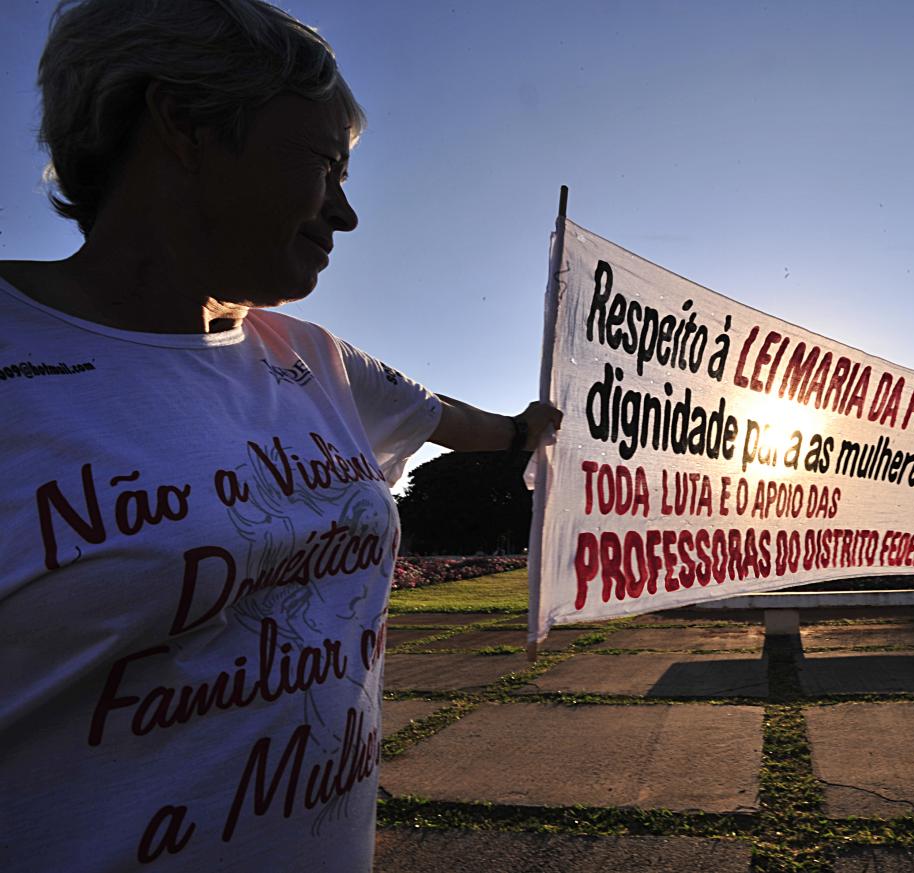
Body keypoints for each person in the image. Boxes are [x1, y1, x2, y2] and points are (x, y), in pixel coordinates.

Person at [0, 2, 559, 871]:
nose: (345, 215)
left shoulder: (316, 358)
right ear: (182, 121)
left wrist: (534, 425)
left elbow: (469, 426)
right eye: (325, 166)